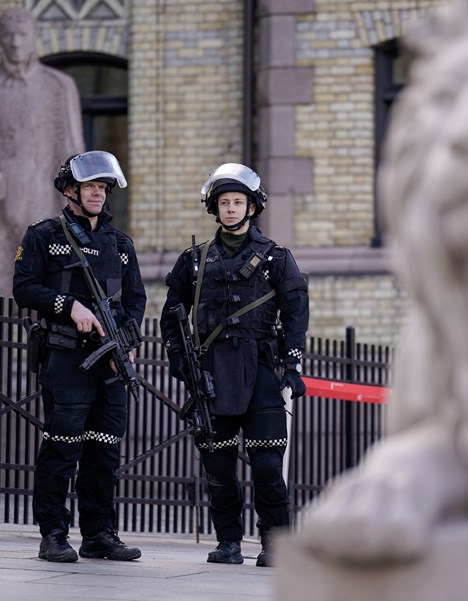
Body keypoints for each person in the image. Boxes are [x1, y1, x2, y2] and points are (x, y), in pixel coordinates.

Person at [159, 163, 309, 567]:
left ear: (252, 206)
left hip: (261, 371)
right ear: (215, 207)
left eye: (237, 202)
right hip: (211, 375)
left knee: (266, 466)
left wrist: (292, 366)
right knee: (219, 467)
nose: (230, 209)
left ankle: (275, 542)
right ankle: (228, 542)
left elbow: (296, 311)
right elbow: (171, 315)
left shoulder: (277, 258)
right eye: (224, 202)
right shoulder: (193, 261)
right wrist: (179, 362)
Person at [13, 151, 146, 563]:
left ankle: (99, 533)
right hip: (66, 359)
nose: (98, 194)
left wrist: (123, 344)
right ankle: (53, 532)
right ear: (71, 190)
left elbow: (135, 302)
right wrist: (68, 305)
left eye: (103, 189)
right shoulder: (44, 235)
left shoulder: (120, 244)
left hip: (108, 363)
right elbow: (24, 288)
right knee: (62, 446)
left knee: (104, 450)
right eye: (91, 187)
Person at [0, 7, 84, 297]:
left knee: (45, 292)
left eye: (22, 35)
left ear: (34, 38)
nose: (15, 43)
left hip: (43, 205)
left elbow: (72, 156)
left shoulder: (57, 87)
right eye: (8, 35)